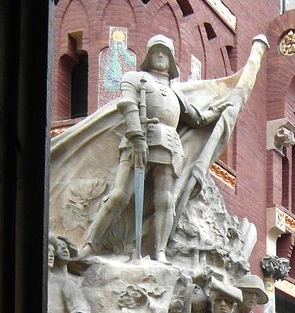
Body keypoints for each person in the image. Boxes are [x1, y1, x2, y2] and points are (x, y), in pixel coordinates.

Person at [78, 36, 232, 263]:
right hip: (137, 140)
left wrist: (219, 111)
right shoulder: (134, 78)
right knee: (120, 195)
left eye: (165, 53)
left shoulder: (177, 93)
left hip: (168, 144)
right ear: (148, 56)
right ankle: (90, 244)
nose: (160, 57)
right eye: (156, 52)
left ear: (171, 61)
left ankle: (160, 250)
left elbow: (196, 118)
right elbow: (127, 105)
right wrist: (136, 136)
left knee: (165, 200)